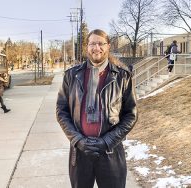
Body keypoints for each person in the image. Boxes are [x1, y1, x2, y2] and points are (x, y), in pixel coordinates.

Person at [56, 29, 138, 188]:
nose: (96, 47)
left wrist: (107, 141)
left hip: (111, 152)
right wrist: (78, 140)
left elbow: (131, 115)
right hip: (80, 152)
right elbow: (61, 111)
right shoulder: (71, 76)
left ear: (108, 46)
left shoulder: (122, 76)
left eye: (101, 43)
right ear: (87, 47)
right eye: (92, 43)